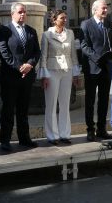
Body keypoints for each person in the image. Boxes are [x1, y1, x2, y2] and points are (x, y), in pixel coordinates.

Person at [0, 2, 41, 152]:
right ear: (12, 14)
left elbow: (37, 52)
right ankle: (5, 140)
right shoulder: (4, 30)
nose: (23, 14)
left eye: (24, 12)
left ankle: (24, 138)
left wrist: (30, 64)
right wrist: (19, 67)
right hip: (10, 77)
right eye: (20, 12)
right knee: (8, 110)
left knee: (23, 110)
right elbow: (4, 52)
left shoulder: (31, 31)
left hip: (26, 77)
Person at [38, 10, 80, 145]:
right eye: (62, 18)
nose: (65, 20)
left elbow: (73, 54)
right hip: (52, 71)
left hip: (67, 70)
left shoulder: (70, 33)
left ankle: (65, 134)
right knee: (50, 105)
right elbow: (43, 55)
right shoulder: (47, 34)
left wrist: (75, 73)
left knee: (65, 104)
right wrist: (43, 76)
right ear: (54, 20)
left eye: (66, 18)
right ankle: (52, 135)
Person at [80, 0, 112, 141]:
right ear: (95, 9)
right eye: (103, 8)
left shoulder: (109, 24)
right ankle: (90, 129)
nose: (105, 10)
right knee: (90, 100)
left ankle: (101, 129)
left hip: (106, 68)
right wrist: (97, 58)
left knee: (103, 100)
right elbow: (84, 46)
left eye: (106, 8)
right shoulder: (86, 24)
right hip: (92, 68)